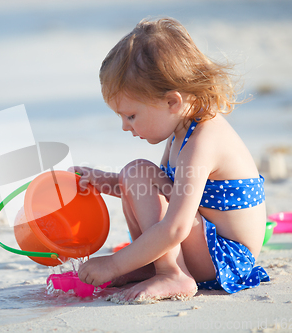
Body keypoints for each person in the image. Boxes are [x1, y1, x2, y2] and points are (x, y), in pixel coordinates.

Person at [73, 17, 270, 302]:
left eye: (131, 116)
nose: (126, 127)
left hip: (224, 258)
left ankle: (173, 273)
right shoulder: (181, 131)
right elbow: (162, 190)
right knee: (134, 174)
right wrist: (109, 183)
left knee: (138, 171)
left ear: (172, 102)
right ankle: (152, 265)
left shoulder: (202, 141)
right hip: (205, 245)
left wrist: (113, 264)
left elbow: (176, 226)